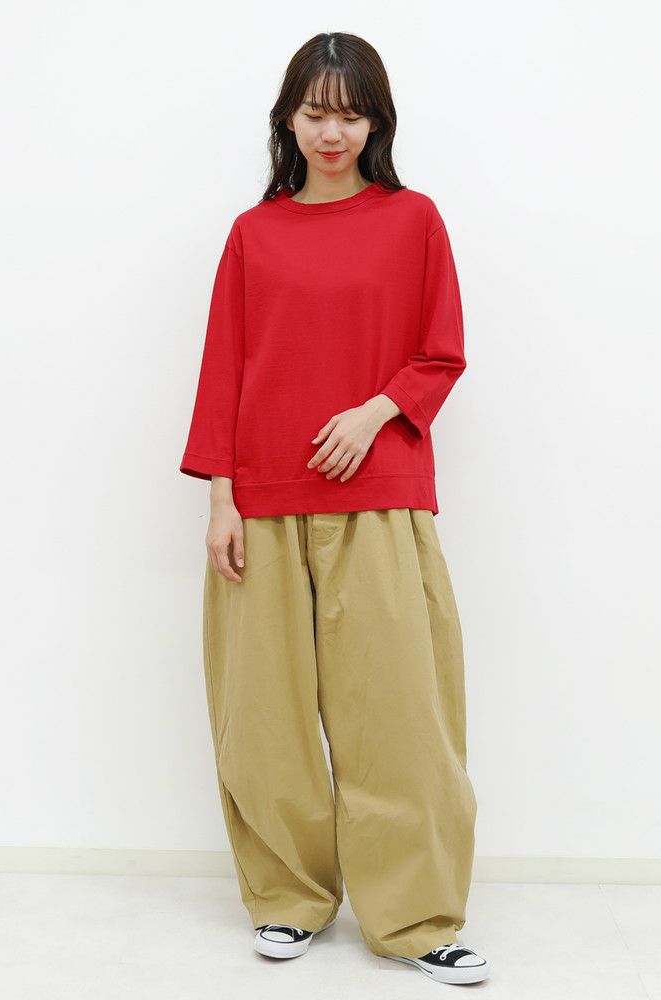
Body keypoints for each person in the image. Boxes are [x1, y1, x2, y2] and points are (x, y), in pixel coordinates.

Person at [179, 32, 488, 987]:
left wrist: (375, 410)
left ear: (377, 123)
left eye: (351, 115)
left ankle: (418, 919)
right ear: (287, 119)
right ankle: (288, 899)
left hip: (380, 499)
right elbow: (224, 367)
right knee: (263, 719)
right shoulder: (254, 233)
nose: (332, 132)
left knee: (401, 718)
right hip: (262, 500)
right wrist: (222, 497)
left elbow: (441, 350)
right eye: (315, 113)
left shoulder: (413, 220)